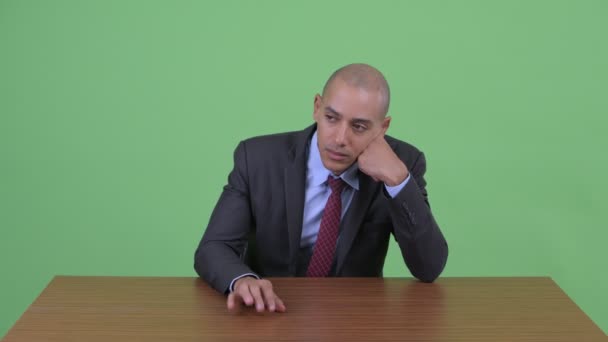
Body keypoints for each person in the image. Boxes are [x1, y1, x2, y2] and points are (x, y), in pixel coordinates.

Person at [194, 63, 448, 313]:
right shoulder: (258, 160)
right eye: (331, 118)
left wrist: (398, 181)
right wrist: (242, 280)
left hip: (354, 317)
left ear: (383, 128)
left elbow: (429, 267)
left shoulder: (403, 163)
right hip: (270, 310)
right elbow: (213, 247)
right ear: (317, 107)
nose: (339, 139)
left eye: (358, 127)